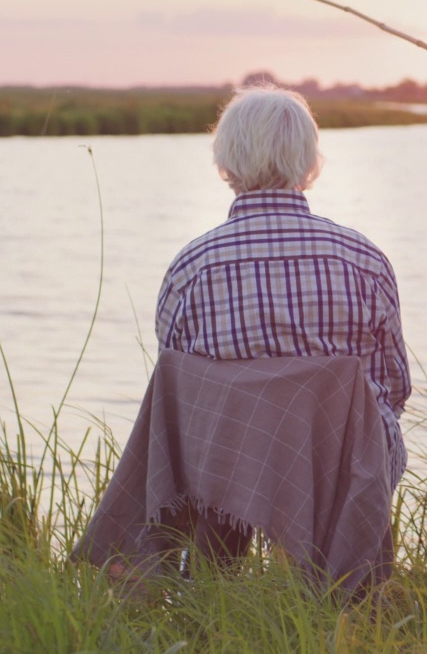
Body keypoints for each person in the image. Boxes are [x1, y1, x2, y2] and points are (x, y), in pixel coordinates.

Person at [155, 84, 412, 489]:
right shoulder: (364, 260)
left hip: (230, 478)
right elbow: (394, 388)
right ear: (308, 159)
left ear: (226, 159)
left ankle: (213, 553)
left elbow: (177, 390)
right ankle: (347, 546)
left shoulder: (192, 267)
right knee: (373, 430)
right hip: (342, 472)